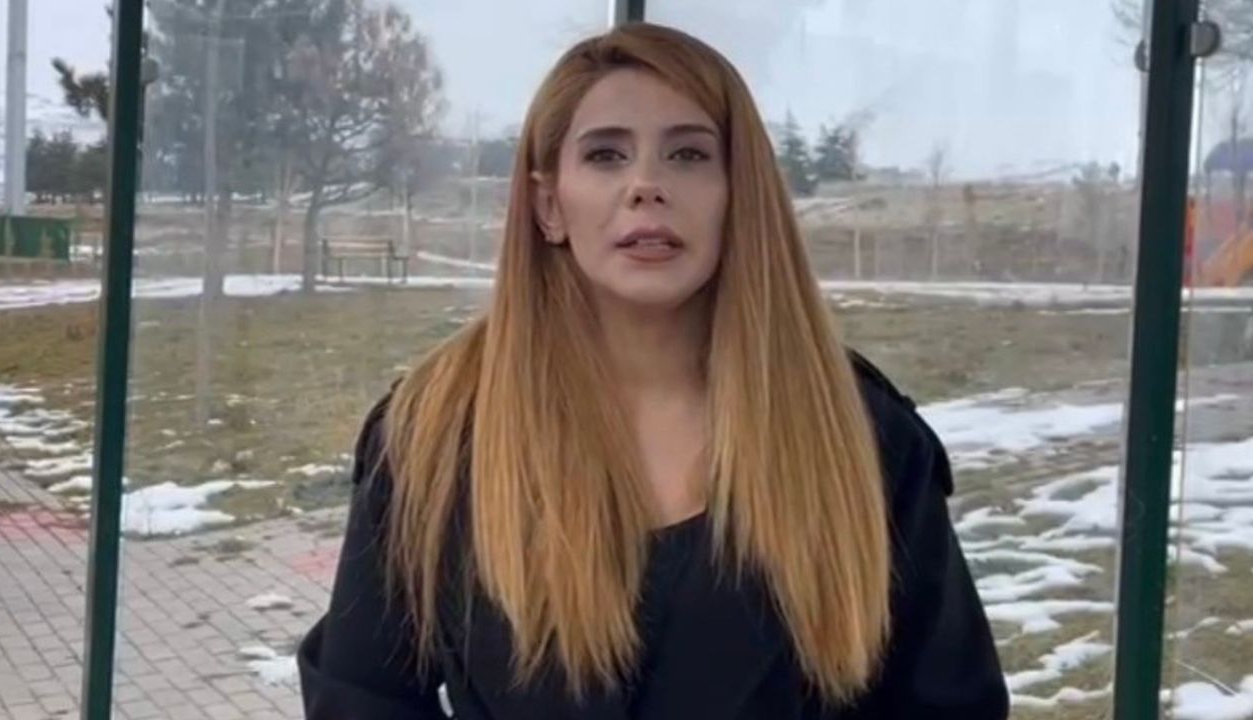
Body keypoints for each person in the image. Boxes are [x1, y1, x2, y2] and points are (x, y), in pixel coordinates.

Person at [298, 22, 1009, 720]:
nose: (645, 185)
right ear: (548, 205)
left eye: (688, 155)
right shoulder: (434, 431)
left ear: (740, 195)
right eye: (606, 155)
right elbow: (361, 699)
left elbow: (948, 705)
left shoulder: (860, 433)